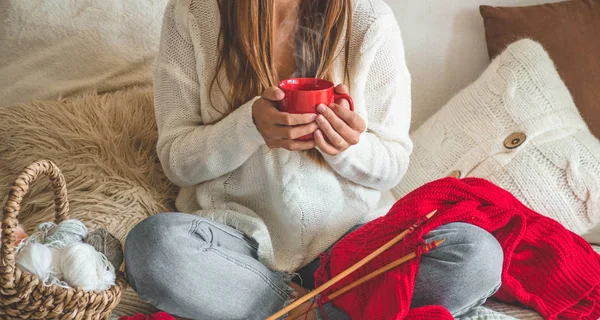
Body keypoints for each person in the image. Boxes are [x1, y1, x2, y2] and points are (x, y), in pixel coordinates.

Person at [124, 0, 503, 319]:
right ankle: (315, 308)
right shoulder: (193, 13)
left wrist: (346, 146)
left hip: (352, 244)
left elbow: (394, 162)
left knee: (476, 256)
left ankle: (289, 310)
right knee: (153, 247)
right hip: (239, 243)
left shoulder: (369, 19)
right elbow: (176, 160)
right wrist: (249, 126)